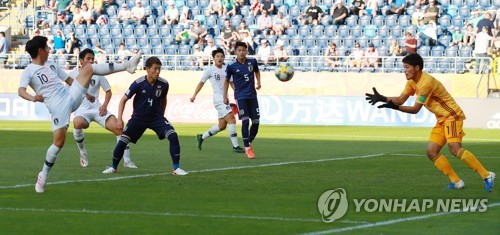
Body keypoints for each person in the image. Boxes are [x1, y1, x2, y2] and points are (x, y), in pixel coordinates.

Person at [18, 36, 142, 193]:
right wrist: (33, 97)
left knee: (89, 68)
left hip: (69, 95)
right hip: (58, 106)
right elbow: (21, 91)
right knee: (59, 143)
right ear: (40, 51)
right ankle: (43, 174)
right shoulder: (29, 71)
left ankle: (127, 65)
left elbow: (70, 80)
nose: (49, 51)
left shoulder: (51, 64)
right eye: (47, 48)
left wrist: (85, 93)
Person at [366, 53, 496, 192]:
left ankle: (487, 175)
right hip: (441, 118)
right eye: (403, 67)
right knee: (431, 151)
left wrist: (394, 107)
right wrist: (383, 98)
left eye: (407, 67)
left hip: (451, 115)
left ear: (417, 67)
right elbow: (400, 100)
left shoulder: (426, 83)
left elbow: (415, 109)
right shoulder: (412, 82)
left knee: (454, 149)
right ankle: (456, 181)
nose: (404, 70)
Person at [102, 56, 188, 176]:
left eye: (159, 69)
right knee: (122, 141)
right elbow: (123, 100)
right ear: (147, 69)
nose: (158, 72)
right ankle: (113, 167)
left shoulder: (164, 84)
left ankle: (176, 168)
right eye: (155, 69)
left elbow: (163, 99)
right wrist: (120, 119)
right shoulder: (138, 83)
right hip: (138, 119)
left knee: (173, 135)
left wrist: (162, 115)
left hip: (156, 118)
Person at [70, 49, 138, 168]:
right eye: (88, 59)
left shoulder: (98, 73)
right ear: (81, 61)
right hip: (82, 110)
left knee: (119, 128)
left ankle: (127, 161)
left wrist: (105, 105)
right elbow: (67, 92)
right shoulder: (72, 75)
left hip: (97, 108)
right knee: (77, 122)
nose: (91, 61)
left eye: (92, 58)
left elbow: (108, 91)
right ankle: (83, 153)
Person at [190, 48, 245, 153]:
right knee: (232, 120)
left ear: (224, 57)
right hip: (219, 98)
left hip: (226, 98)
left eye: (221, 56)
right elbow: (201, 82)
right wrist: (194, 95)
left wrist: (238, 93)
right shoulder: (210, 70)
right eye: (217, 56)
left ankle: (201, 137)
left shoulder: (227, 68)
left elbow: (231, 82)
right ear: (213, 58)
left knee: (222, 126)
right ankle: (235, 146)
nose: (220, 58)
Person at [223, 41, 261, 159]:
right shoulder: (231, 66)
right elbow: (227, 81)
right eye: (239, 50)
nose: (241, 52)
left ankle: (248, 143)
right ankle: (247, 148)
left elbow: (257, 71)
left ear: (246, 51)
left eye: (243, 50)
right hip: (241, 97)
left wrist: (259, 81)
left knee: (256, 122)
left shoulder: (252, 62)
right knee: (245, 121)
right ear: (235, 52)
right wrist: (225, 95)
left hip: (252, 96)